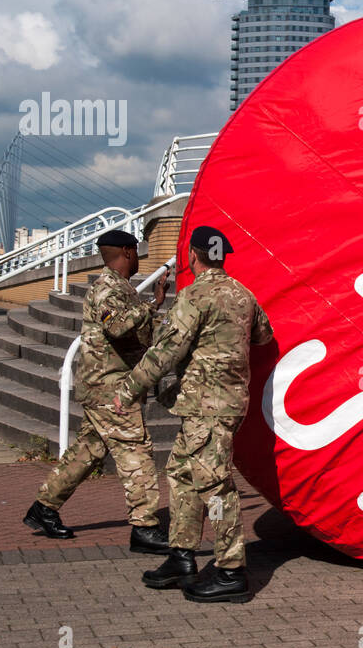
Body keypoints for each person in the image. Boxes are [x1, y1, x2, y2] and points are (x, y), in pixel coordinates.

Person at [115, 226, 273, 603]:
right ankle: (182, 556)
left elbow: (166, 351)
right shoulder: (242, 294)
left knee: (215, 485)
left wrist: (128, 389)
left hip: (206, 407)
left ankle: (231, 569)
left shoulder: (194, 296)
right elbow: (263, 335)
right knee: (182, 475)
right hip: (224, 404)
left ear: (192, 256)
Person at [23, 229, 169, 554]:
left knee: (88, 451)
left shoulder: (122, 288)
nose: (138, 259)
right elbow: (116, 326)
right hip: (108, 388)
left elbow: (137, 334)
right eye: (136, 253)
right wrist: (150, 307)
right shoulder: (107, 288)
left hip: (108, 383)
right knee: (136, 449)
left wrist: (155, 309)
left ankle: (44, 508)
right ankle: (145, 527)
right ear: (128, 252)